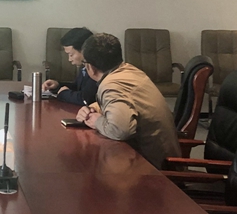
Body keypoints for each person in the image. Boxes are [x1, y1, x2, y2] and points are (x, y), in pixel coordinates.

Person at [75, 33, 179, 168]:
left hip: (154, 169)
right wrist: (94, 108)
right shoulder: (128, 70)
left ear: (91, 67)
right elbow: (125, 102)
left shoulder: (112, 85)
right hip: (161, 158)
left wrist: (97, 121)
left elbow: (120, 131)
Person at [42, 27, 98, 106]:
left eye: (71, 54)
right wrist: (57, 86)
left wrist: (63, 94)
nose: (69, 59)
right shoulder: (84, 67)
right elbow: (77, 87)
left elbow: (85, 99)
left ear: (84, 50)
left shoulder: (96, 69)